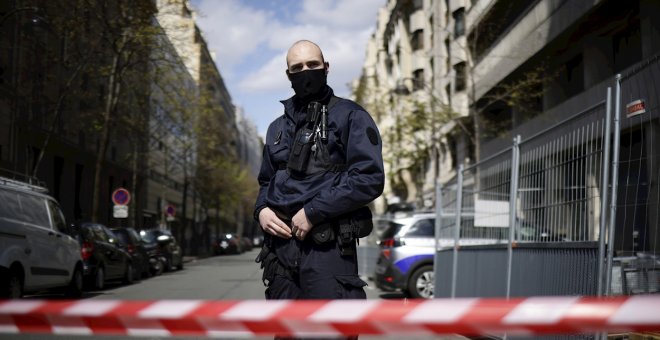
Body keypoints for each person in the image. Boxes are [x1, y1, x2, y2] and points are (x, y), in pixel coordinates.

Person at [254, 39, 384, 306]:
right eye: (297, 67)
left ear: (326, 67)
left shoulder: (350, 116)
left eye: (312, 64)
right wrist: (261, 210)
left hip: (329, 251)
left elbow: (369, 179)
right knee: (284, 332)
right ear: (288, 74)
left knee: (330, 331)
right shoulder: (276, 128)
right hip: (280, 256)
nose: (306, 72)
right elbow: (266, 181)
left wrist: (313, 212)